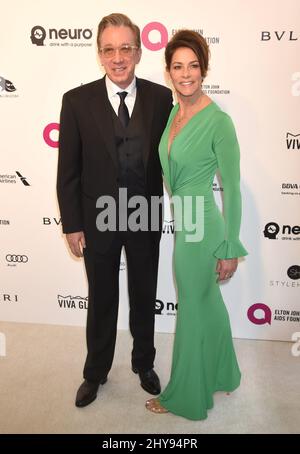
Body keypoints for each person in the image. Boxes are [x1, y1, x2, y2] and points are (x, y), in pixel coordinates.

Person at [57, 13, 173, 408]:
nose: (118, 57)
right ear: (99, 54)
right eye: (109, 49)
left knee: (144, 295)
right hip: (97, 220)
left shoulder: (161, 98)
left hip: (144, 217)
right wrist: (72, 224)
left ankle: (144, 363)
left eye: (126, 48)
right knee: (101, 298)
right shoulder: (76, 101)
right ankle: (95, 372)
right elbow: (68, 170)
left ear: (139, 51)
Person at [145, 30, 248, 420]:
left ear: (204, 69)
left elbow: (233, 189)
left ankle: (184, 397)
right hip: (185, 218)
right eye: (177, 66)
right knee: (207, 303)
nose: (185, 74)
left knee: (191, 306)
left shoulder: (218, 121)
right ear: (169, 71)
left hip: (204, 226)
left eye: (193, 66)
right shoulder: (175, 111)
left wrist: (229, 246)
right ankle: (224, 372)